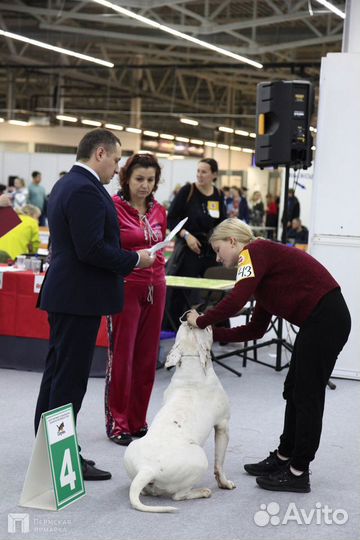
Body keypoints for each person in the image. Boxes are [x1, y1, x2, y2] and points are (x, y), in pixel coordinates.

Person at [187, 218, 351, 493]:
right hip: (319, 321)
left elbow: (237, 300)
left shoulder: (254, 252)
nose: (217, 257)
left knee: (308, 395)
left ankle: (299, 472)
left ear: (232, 242)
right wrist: (214, 335)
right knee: (294, 390)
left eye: (218, 249)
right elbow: (256, 328)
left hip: (326, 320)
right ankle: (284, 457)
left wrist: (202, 321)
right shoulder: (261, 272)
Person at [34, 129, 155, 481]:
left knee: (57, 376)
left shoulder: (66, 184)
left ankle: (49, 451)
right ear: (100, 153)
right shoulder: (85, 189)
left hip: (69, 294)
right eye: (117, 160)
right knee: (68, 381)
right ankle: (60, 458)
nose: (118, 168)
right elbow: (92, 249)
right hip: (78, 296)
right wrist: (135, 260)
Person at [105, 153, 167, 446]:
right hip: (126, 285)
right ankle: (118, 422)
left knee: (146, 357)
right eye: (139, 179)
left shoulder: (160, 212)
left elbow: (160, 245)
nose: (144, 185)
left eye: (150, 180)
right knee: (123, 357)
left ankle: (137, 420)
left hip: (157, 286)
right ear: (126, 178)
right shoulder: (113, 208)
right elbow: (107, 249)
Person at [163, 158, 226, 330]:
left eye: (204, 171)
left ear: (214, 175)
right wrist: (186, 235)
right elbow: (171, 219)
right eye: (198, 171)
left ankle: (216, 327)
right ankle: (173, 327)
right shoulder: (187, 191)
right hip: (189, 247)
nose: (200, 175)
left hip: (210, 249)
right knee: (182, 290)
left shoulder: (219, 195)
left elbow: (222, 223)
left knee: (216, 288)